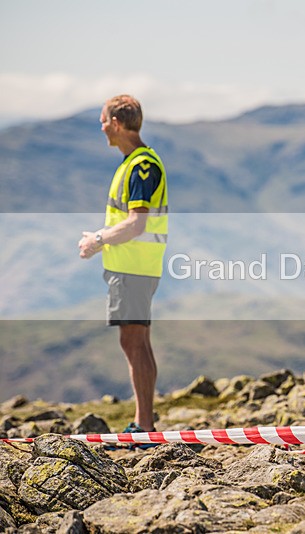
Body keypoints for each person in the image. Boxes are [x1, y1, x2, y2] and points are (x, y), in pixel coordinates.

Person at [78, 95, 168, 440]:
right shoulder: (136, 162)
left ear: (116, 123)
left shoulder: (141, 165)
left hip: (134, 267)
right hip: (133, 266)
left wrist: (97, 240)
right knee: (136, 341)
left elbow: (136, 224)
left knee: (133, 342)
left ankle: (144, 424)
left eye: (103, 121)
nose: (101, 127)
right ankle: (144, 420)